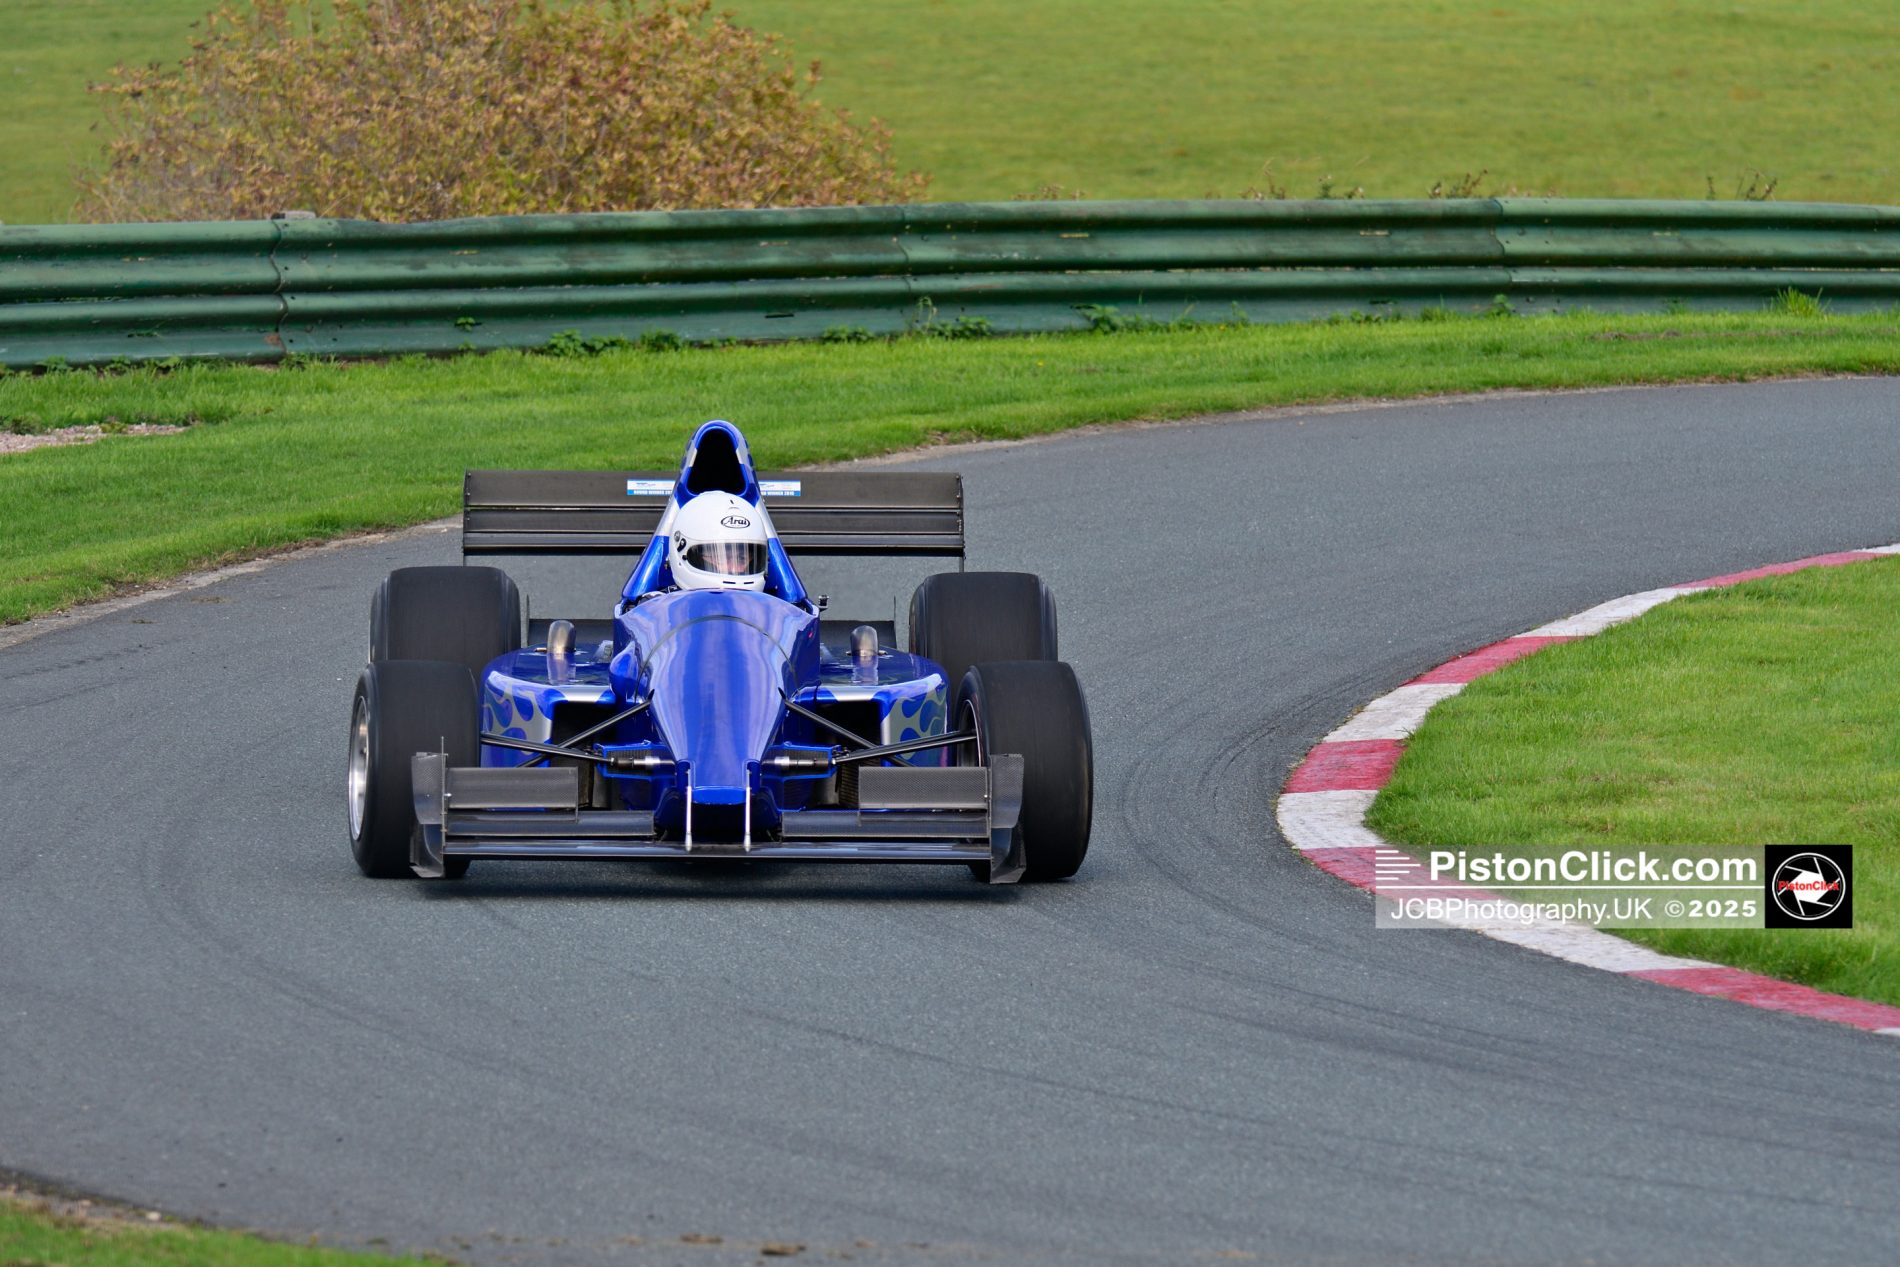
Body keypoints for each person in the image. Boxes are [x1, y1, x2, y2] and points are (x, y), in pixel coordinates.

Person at [668, 492, 769, 592]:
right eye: (719, 557)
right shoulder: (658, 606)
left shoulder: (774, 607)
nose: (733, 569)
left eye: (741, 558)